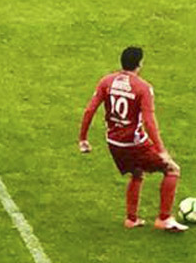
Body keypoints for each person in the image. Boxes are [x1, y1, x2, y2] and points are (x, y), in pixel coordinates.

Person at [78, 47, 187, 232]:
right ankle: (164, 218)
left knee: (136, 172)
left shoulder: (107, 81)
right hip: (133, 143)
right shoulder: (143, 87)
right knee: (172, 170)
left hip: (113, 142)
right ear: (140, 64)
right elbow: (148, 121)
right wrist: (161, 150)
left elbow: (90, 109)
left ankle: (131, 219)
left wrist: (83, 138)